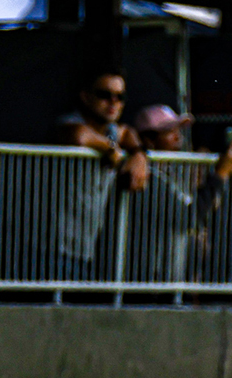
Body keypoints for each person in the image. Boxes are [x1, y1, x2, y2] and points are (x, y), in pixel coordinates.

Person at [55, 68, 149, 279]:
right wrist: (108, 148)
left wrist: (139, 154)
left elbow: (127, 132)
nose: (113, 102)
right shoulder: (68, 123)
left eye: (120, 96)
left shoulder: (112, 131)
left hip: (82, 250)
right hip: (48, 249)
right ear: (85, 97)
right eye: (105, 95)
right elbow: (78, 135)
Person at [133, 104, 232, 282]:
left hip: (168, 281)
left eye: (179, 130)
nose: (179, 138)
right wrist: (219, 175)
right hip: (149, 283)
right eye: (169, 132)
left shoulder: (172, 175)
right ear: (149, 140)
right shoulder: (146, 177)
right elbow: (188, 219)